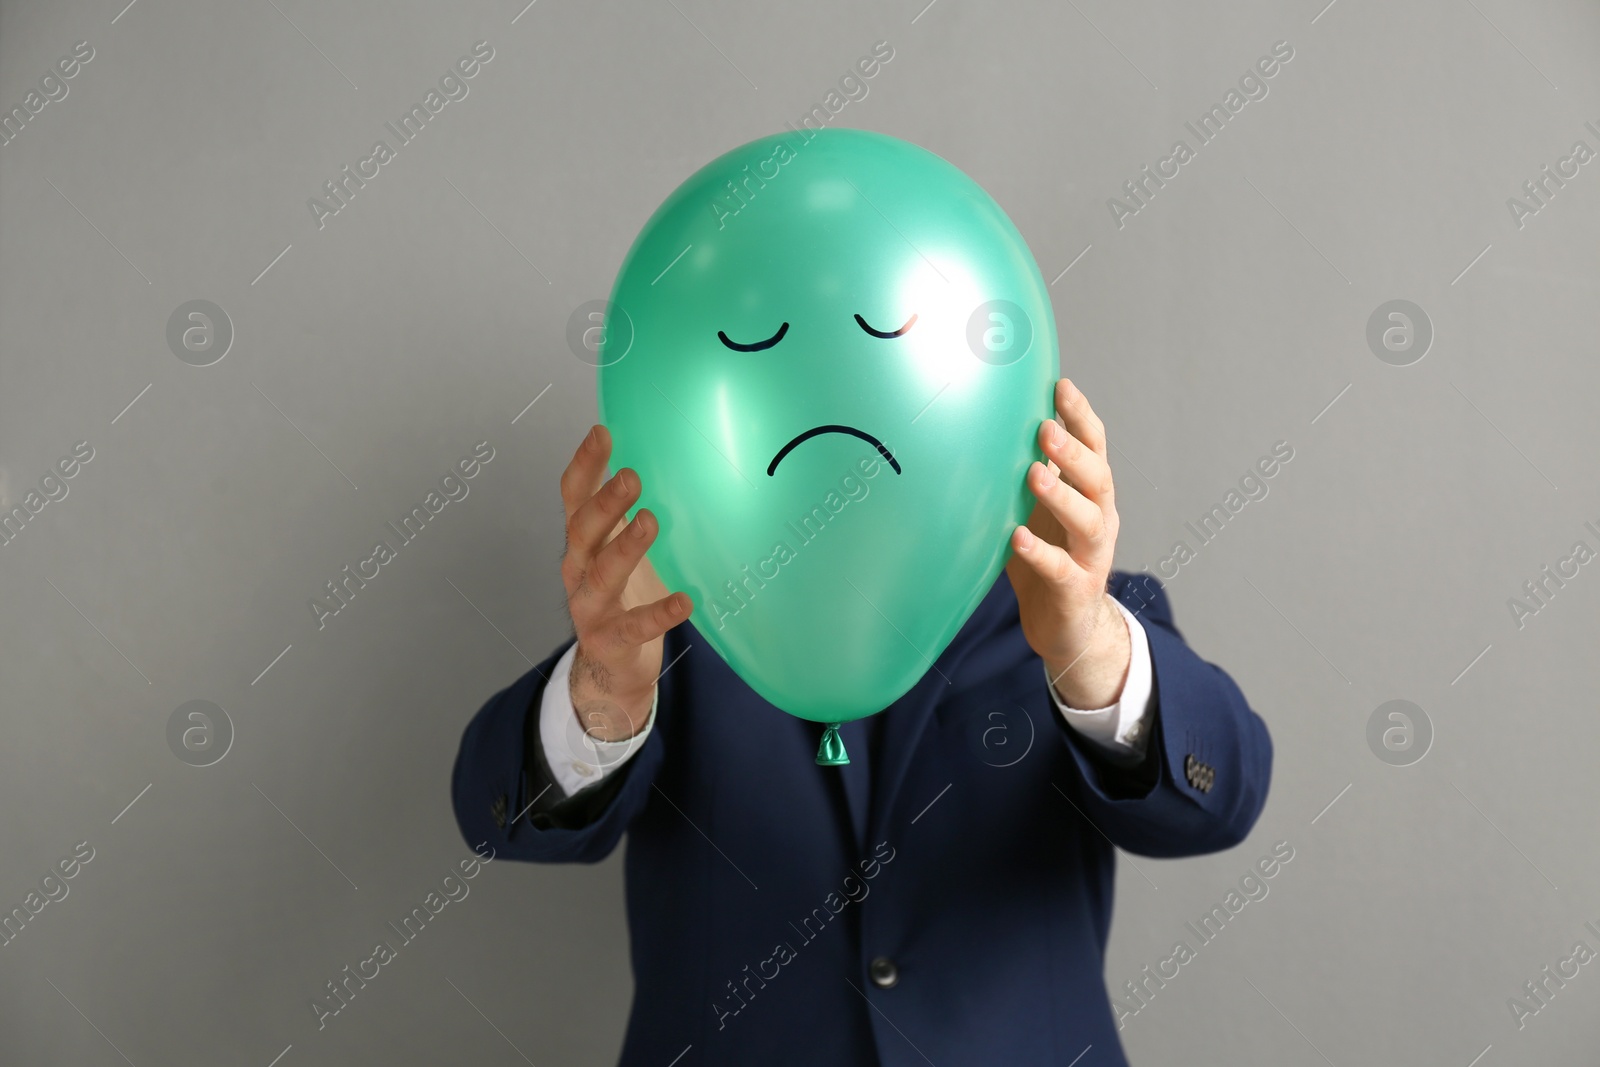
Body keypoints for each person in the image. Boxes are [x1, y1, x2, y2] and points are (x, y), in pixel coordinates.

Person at [452, 378, 1273, 1066]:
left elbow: (1221, 800)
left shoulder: (1077, 602)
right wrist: (607, 681)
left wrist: (1089, 645)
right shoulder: (674, 612)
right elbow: (504, 818)